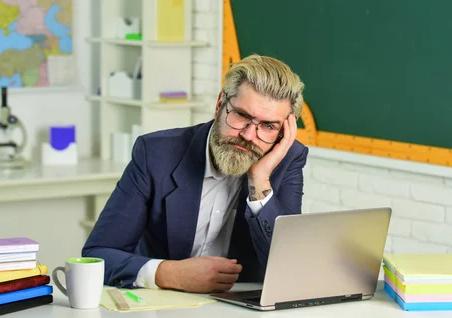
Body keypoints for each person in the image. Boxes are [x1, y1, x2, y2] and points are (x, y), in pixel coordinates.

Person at [82, 54, 309, 293]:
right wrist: (169, 273)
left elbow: (288, 269)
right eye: (242, 115)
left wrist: (259, 181)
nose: (249, 135)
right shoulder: (157, 153)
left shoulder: (286, 159)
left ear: (283, 133)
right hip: (162, 307)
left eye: (268, 126)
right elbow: (97, 255)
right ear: (220, 103)